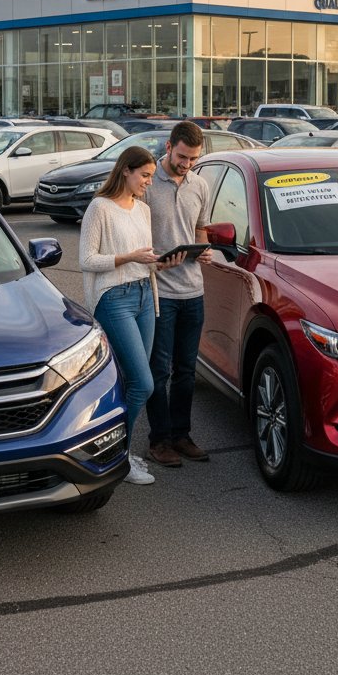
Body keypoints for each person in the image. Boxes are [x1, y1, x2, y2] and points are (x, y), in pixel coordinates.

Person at [79, 145, 176, 486]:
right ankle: (117, 454)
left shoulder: (143, 211)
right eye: (145, 176)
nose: (149, 182)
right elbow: (87, 260)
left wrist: (159, 262)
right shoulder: (99, 208)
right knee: (143, 382)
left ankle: (118, 451)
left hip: (145, 295)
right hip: (114, 298)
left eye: (151, 176)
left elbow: (143, 257)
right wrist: (129, 257)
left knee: (134, 382)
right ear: (126, 171)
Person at [143, 121, 214, 467]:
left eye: (194, 159)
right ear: (169, 147)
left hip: (193, 289)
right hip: (160, 291)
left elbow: (200, 227)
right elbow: (132, 234)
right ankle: (159, 441)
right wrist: (154, 261)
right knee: (158, 369)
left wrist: (204, 248)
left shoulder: (200, 184)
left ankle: (181, 435)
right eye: (183, 157)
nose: (187, 164)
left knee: (186, 370)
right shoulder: (146, 183)